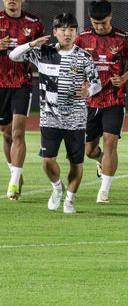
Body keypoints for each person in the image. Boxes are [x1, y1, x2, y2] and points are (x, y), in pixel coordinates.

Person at [9, 13, 101, 213]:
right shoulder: (44, 52)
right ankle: (57, 188)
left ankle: (69, 200)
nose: (67, 33)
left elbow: (97, 83)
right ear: (55, 32)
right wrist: (32, 44)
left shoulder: (84, 57)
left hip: (76, 120)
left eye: (71, 29)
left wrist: (89, 90)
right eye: (63, 29)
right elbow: (13, 56)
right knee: (47, 161)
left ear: (76, 32)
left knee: (76, 163)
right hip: (50, 117)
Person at [75, 0, 128, 203]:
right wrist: (81, 83)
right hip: (90, 102)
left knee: (110, 143)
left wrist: (124, 78)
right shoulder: (82, 39)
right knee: (89, 150)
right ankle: (100, 161)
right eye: (95, 23)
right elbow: (71, 64)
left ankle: (104, 191)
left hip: (114, 99)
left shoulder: (123, 39)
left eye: (103, 22)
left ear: (111, 17)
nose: (99, 27)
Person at [0, 0, 44, 200]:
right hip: (0, 84)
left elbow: (41, 54)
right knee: (6, 134)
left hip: (22, 84)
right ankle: (14, 172)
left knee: (18, 133)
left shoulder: (34, 23)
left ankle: (14, 183)